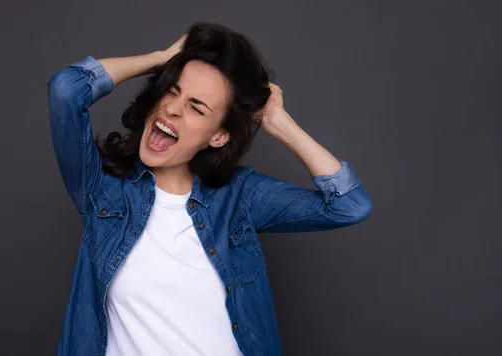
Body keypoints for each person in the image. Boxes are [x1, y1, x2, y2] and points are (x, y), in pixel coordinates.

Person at [47, 22, 373, 356]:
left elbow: (349, 205)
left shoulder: (238, 197)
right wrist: (162, 58)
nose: (173, 108)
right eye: (172, 91)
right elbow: (66, 91)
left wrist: (275, 119)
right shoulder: (101, 191)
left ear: (218, 136)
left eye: (196, 107)